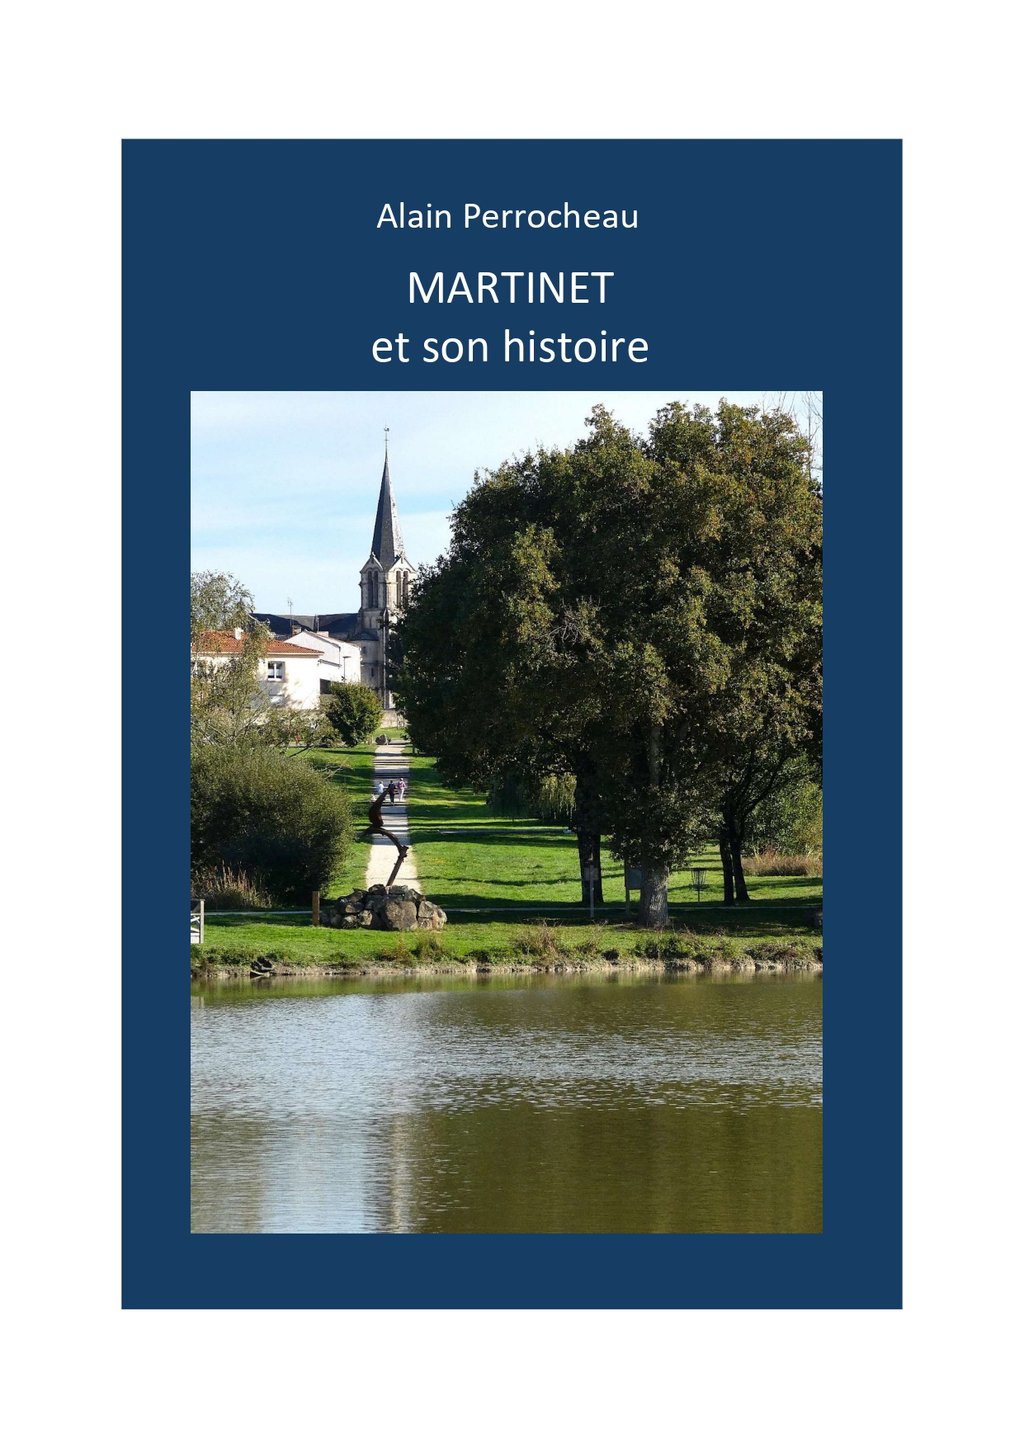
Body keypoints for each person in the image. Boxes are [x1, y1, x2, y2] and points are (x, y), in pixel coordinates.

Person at [366, 787, 407, 856]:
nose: (382, 823)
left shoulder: (375, 821)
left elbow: (378, 803)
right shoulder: (375, 819)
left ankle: (400, 850)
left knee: (392, 836)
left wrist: (386, 792)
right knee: (391, 836)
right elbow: (378, 803)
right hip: (375, 817)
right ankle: (400, 850)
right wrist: (386, 792)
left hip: (375, 817)